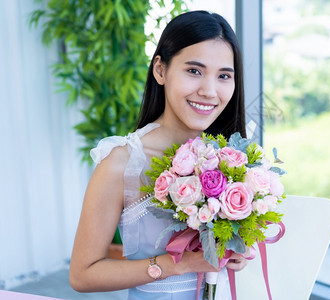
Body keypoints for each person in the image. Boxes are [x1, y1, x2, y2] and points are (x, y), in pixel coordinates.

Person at [69, 10, 249, 300]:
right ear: (160, 70)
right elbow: (82, 274)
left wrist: (237, 252)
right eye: (194, 71)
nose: (209, 90)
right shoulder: (122, 162)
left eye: (224, 76)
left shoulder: (230, 160)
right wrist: (177, 264)